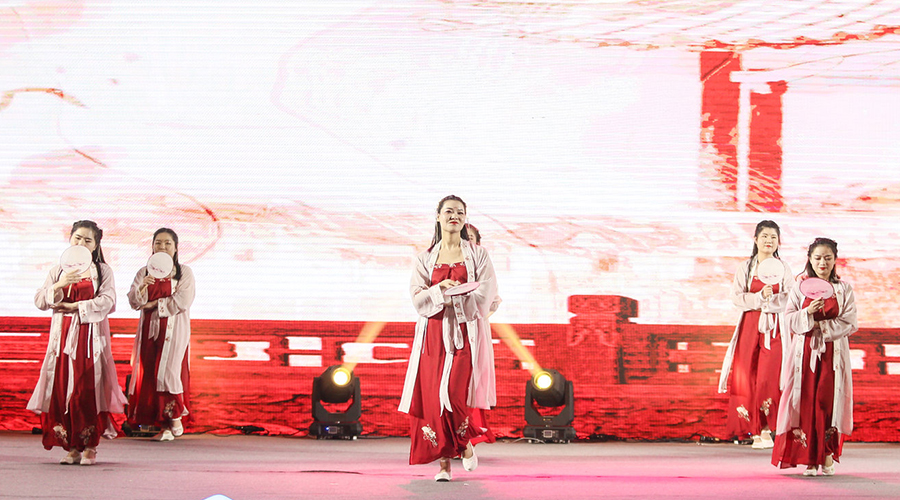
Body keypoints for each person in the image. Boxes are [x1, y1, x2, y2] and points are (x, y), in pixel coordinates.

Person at [399, 195, 499, 482]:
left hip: (465, 332)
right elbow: (417, 299)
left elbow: (487, 293)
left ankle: (464, 443)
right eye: (449, 211)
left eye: (459, 212)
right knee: (433, 399)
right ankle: (444, 466)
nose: (454, 216)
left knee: (454, 394)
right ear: (438, 216)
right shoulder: (424, 258)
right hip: (433, 333)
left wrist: (459, 297)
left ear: (465, 218)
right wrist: (439, 289)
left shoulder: (479, 254)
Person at [27, 220, 126, 465]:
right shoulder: (58, 270)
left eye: (87, 240)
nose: (81, 243)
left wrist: (76, 307)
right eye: (77, 238)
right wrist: (59, 285)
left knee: (86, 391)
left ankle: (90, 446)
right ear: (70, 239)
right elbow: (40, 301)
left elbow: (108, 301)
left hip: (89, 339)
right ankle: (71, 446)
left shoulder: (102, 271)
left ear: (95, 245)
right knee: (62, 390)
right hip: (61, 340)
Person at [772, 238, 857, 476]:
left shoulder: (844, 289)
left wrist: (823, 327)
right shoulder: (799, 288)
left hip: (832, 354)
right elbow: (789, 319)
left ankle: (826, 454)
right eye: (818, 258)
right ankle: (809, 458)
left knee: (827, 401)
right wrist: (807, 313)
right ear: (810, 259)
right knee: (806, 401)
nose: (823, 263)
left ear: (835, 260)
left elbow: (850, 322)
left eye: (828, 258)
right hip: (805, 353)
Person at [718, 220, 794, 448]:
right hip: (750, 325)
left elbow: (791, 298)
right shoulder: (746, 267)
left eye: (773, 237)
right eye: (764, 236)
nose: (769, 241)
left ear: (778, 242)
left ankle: (766, 428)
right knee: (746, 375)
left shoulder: (783, 268)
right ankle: (750, 430)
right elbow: (736, 297)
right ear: (755, 240)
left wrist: (772, 301)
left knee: (769, 376)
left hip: (774, 328)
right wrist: (759, 298)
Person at [126, 228, 196, 441]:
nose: (162, 247)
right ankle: (163, 426)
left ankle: (175, 415)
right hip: (149, 330)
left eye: (167, 243)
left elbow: (183, 300)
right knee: (149, 374)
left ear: (176, 248)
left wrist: (153, 304)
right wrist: (142, 289)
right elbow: (134, 302)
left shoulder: (183, 272)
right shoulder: (144, 272)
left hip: (174, 328)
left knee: (168, 371)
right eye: (158, 243)